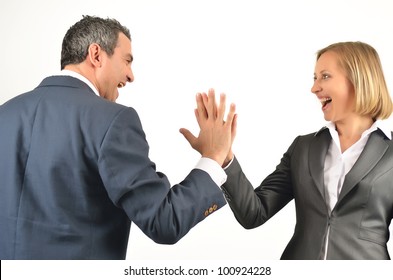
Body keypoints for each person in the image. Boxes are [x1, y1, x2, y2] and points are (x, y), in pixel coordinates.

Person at [0, 15, 236, 260]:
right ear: (96, 55)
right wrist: (213, 156)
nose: (131, 75)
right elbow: (164, 221)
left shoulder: (5, 114)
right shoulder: (113, 120)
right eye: (127, 61)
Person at [218, 41, 393, 259]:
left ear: (358, 79)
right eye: (314, 78)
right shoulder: (303, 147)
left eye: (325, 76)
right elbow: (254, 213)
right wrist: (225, 158)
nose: (314, 88)